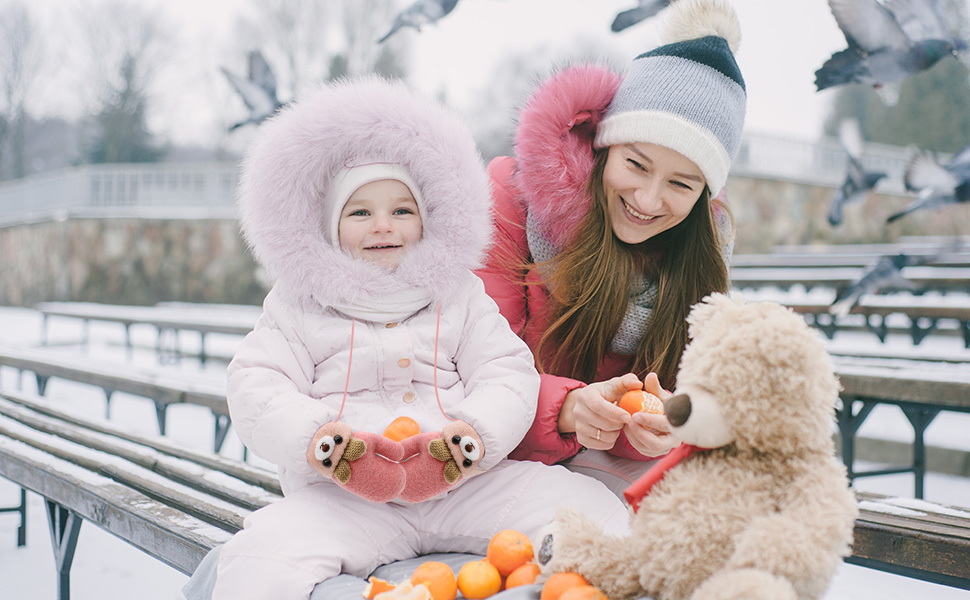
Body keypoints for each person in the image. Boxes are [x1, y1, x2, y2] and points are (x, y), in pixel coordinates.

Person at [192, 76, 629, 599]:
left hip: (466, 483)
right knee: (259, 558)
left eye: (402, 210)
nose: (383, 225)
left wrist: (471, 438)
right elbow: (258, 386)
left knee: (591, 509)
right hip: (346, 499)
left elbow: (506, 372)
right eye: (360, 212)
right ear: (330, 226)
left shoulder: (456, 295)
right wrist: (323, 443)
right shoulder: (299, 304)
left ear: (425, 219)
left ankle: (569, 577)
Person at [476, 0, 746, 488]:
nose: (647, 200)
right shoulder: (513, 201)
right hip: (485, 466)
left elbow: (677, 397)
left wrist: (654, 428)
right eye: (636, 165)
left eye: (680, 184)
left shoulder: (699, 260)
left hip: (596, 478)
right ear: (604, 147)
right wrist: (565, 410)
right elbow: (470, 371)